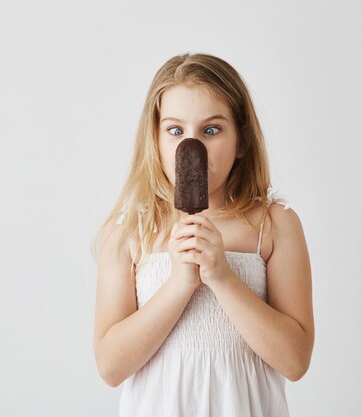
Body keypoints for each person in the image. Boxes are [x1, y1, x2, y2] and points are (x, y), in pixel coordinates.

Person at [91, 52, 314, 417]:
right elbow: (111, 367)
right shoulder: (130, 231)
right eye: (176, 131)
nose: (190, 147)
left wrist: (222, 278)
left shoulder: (274, 226)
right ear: (156, 140)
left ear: (241, 140)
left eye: (211, 130)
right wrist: (180, 284)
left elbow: (295, 360)